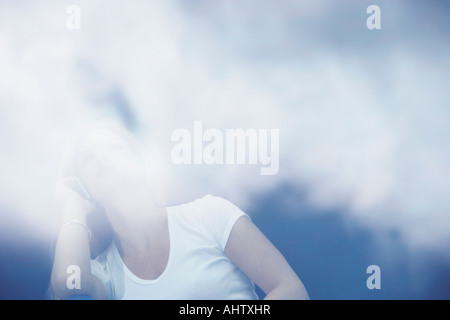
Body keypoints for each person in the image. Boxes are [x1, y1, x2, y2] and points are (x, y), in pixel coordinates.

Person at [50, 121, 309, 300]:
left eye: (114, 149)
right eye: (88, 158)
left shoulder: (209, 215)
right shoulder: (101, 273)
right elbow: (68, 284)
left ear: (142, 163)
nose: (102, 159)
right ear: (83, 186)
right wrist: (72, 206)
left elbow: (291, 290)